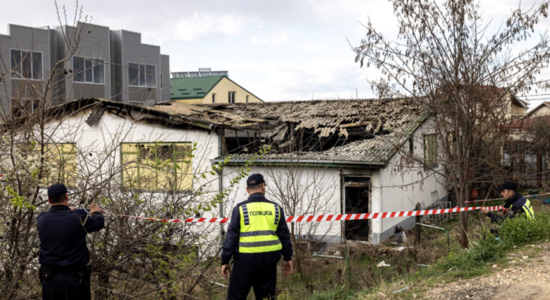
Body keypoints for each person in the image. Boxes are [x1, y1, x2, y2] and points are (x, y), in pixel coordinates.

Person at [221, 174, 293, 300]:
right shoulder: (276, 209)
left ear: (247, 189)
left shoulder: (240, 209)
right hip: (268, 263)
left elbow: (231, 237)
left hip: (244, 262)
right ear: (263, 187)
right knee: (267, 298)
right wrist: (287, 258)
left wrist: (225, 260)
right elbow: (285, 237)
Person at [37, 183, 105, 300]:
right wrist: (95, 211)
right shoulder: (78, 218)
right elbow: (98, 223)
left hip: (48, 278)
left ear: (48, 200)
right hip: (73, 280)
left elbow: (45, 215)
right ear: (67, 197)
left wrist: (70, 211)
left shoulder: (41, 219)